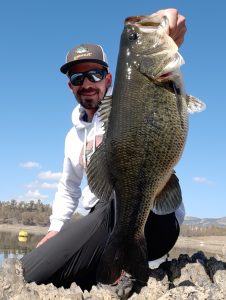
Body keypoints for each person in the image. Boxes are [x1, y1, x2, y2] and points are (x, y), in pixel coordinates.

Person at [21, 8, 186, 295]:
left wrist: (165, 29)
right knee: (35, 268)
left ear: (110, 80)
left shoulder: (133, 99)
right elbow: (68, 187)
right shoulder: (72, 138)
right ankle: (117, 265)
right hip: (103, 218)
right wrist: (56, 229)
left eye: (94, 74)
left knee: (35, 269)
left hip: (157, 217)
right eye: (77, 78)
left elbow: (156, 75)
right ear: (70, 87)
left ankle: (120, 258)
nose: (86, 83)